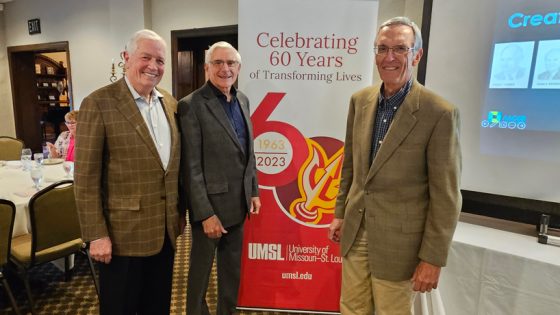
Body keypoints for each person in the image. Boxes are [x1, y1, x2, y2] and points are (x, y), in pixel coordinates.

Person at [328, 17, 462, 315]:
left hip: (401, 245)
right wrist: (340, 213)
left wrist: (433, 258)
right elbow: (350, 166)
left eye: (400, 49)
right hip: (356, 230)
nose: (389, 57)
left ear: (417, 54)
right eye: (382, 48)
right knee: (351, 308)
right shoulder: (360, 100)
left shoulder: (438, 113)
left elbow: (447, 197)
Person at [74, 29, 183, 314]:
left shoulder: (170, 103)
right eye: (145, 57)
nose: (153, 66)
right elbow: (85, 179)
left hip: (165, 232)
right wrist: (96, 234)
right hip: (121, 237)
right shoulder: (99, 104)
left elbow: (173, 168)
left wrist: (178, 214)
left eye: (160, 60)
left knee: (157, 306)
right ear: (126, 58)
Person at [178, 41, 261, 315]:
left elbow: (248, 150)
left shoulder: (243, 100)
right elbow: (191, 166)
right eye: (218, 63)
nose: (225, 69)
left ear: (239, 68)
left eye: (231, 63)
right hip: (210, 210)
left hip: (238, 204)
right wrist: (204, 215)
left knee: (231, 273)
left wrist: (254, 190)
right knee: (200, 275)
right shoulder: (191, 106)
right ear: (206, 68)